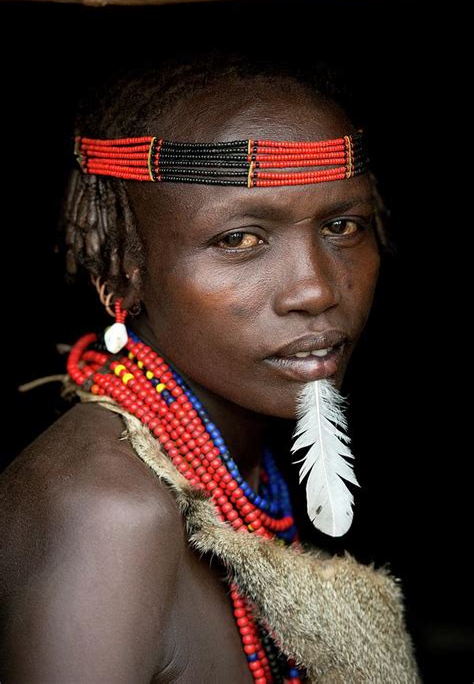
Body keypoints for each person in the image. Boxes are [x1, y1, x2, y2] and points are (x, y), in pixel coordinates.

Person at [0, 49, 419, 683]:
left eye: (342, 225)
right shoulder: (106, 512)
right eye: (239, 239)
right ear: (123, 268)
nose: (316, 289)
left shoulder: (241, 467)